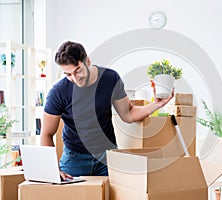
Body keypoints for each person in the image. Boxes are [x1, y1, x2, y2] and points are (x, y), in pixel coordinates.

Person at [40, 41, 173, 180]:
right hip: (75, 158)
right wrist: (53, 169)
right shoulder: (59, 92)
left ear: (88, 61)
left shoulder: (110, 79)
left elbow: (128, 114)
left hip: (107, 157)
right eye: (68, 74)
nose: (75, 78)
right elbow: (46, 134)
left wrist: (156, 104)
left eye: (78, 70)